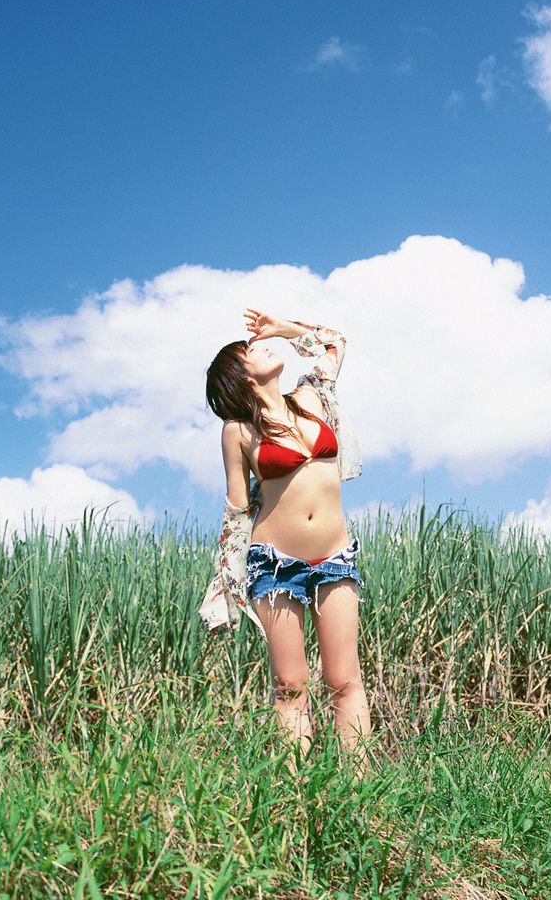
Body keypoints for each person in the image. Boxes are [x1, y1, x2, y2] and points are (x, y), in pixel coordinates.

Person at [202, 307, 371, 775]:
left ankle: (358, 790)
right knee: (291, 684)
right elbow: (238, 509)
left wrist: (282, 328)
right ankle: (295, 793)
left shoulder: (311, 399)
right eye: (249, 349)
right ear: (239, 374)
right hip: (275, 564)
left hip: (335, 555)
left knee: (343, 679)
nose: (261, 346)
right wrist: (224, 583)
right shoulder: (238, 431)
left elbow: (334, 340)